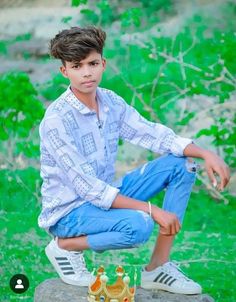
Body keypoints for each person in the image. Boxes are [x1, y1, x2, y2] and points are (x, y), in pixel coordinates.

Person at [38, 26, 230, 294]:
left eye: (93, 63)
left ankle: (158, 268)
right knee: (140, 225)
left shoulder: (110, 102)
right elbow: (89, 189)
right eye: (77, 66)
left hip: (105, 198)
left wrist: (205, 152)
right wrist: (152, 210)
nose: (87, 72)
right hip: (69, 213)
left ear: (103, 64)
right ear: (64, 71)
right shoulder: (57, 120)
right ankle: (64, 246)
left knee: (183, 163)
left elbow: (152, 134)